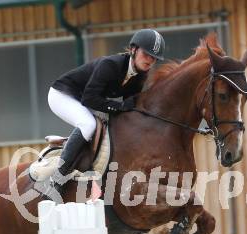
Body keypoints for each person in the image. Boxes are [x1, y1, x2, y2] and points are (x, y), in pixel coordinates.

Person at [46, 29, 165, 196]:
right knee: (88, 124)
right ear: (133, 49)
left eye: (154, 58)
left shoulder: (140, 75)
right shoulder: (111, 65)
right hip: (62, 95)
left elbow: (129, 106)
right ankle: (56, 180)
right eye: (147, 54)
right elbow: (90, 99)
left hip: (82, 99)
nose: (150, 60)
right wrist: (120, 107)